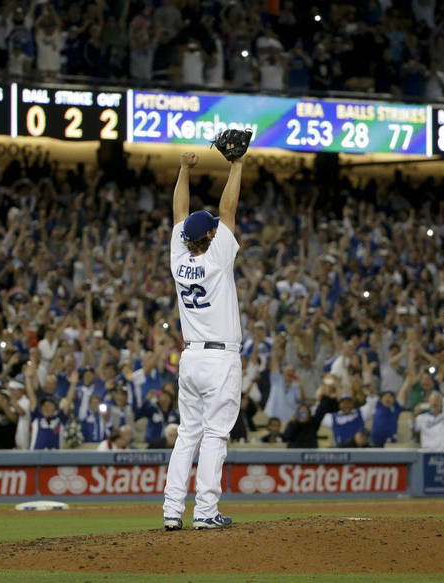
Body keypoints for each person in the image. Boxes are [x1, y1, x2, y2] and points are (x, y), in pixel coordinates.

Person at [163, 151, 243, 531]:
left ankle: (171, 510)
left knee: (187, 434)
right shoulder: (217, 258)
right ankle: (206, 511)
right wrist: (237, 165)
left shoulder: (179, 259)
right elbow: (227, 212)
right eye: (212, 230)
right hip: (220, 359)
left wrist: (183, 169)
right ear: (209, 237)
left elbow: (179, 213)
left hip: (191, 358)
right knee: (215, 434)